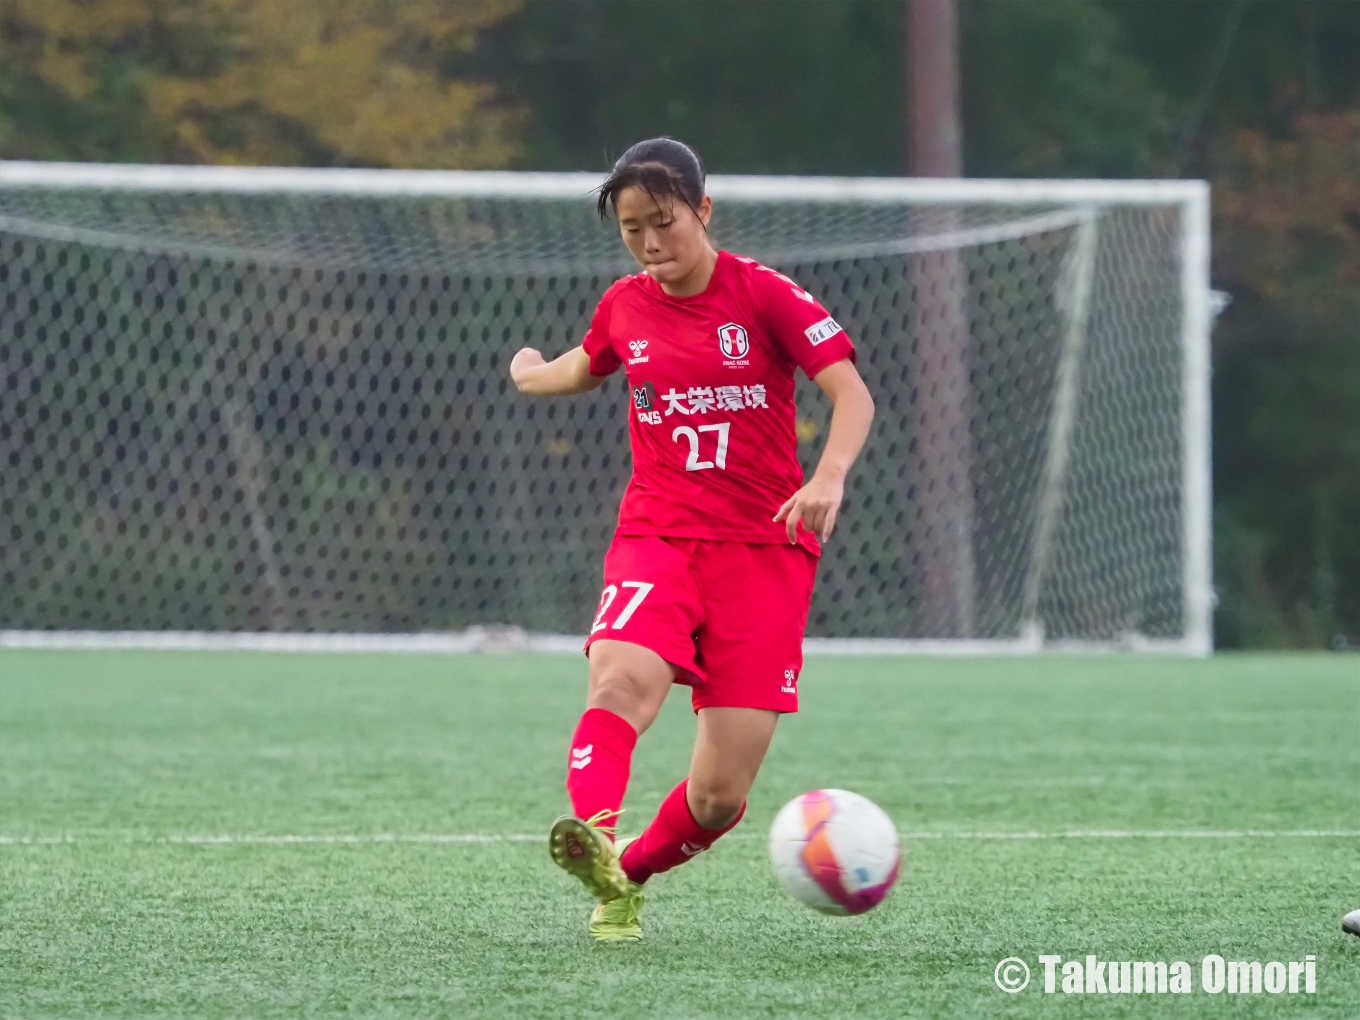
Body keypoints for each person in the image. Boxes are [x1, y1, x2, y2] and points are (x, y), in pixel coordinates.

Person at [508, 137, 875, 942]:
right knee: (619, 685)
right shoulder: (626, 304)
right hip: (658, 534)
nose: (650, 243)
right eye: (633, 228)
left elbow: (851, 395)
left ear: (703, 211)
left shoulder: (764, 296)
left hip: (764, 552)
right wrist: (528, 372)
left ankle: (624, 876)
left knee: (718, 798)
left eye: (665, 223)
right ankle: (594, 833)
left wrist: (829, 475)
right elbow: (585, 365)